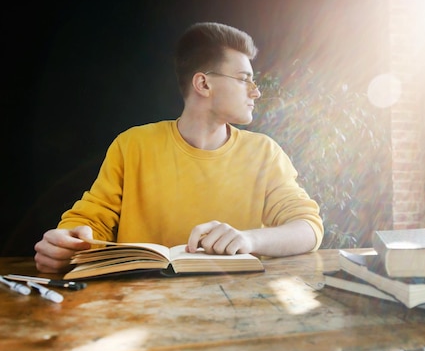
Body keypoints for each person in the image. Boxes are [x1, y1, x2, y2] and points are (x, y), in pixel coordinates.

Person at [34, 22, 324, 274]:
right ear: (203, 84)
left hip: (240, 312)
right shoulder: (132, 145)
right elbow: (87, 221)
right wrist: (66, 241)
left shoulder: (264, 152)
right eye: (244, 80)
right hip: (133, 308)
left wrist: (249, 240)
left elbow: (308, 228)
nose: (256, 92)